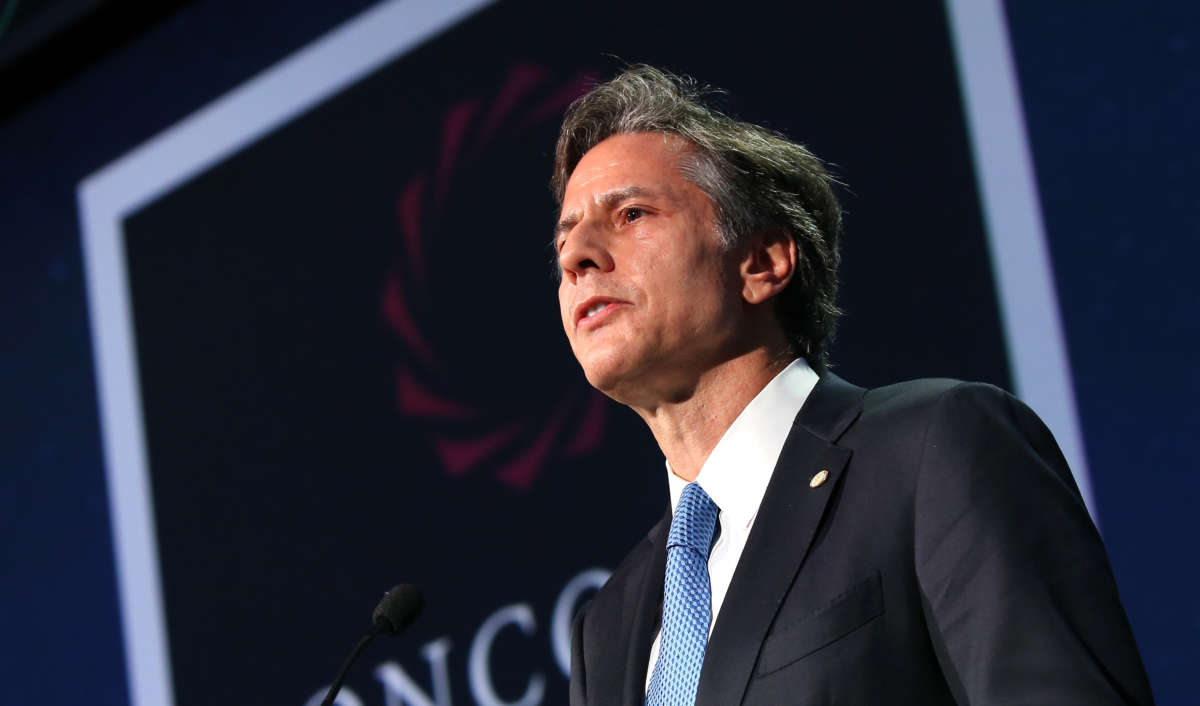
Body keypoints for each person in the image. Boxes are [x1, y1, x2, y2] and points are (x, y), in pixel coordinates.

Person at [552, 66, 1153, 705]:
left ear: (763, 262)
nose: (576, 257)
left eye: (632, 213)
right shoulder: (609, 625)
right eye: (563, 242)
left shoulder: (931, 450)